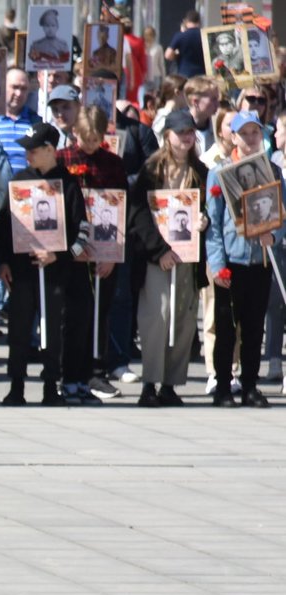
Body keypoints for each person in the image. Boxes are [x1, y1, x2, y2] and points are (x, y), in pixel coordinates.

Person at [2, 122, 92, 405]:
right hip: (22, 271)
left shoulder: (68, 184)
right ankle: (16, 385)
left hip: (55, 274)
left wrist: (59, 254)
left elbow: (83, 230)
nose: (27, 155)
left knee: (52, 329)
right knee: (18, 328)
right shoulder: (19, 181)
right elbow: (4, 225)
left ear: (50, 150)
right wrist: (4, 260)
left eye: (33, 150)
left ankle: (51, 385)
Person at [129, 110, 205, 404]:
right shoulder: (151, 170)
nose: (186, 137)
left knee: (183, 320)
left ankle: (170, 384)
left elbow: (207, 207)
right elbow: (138, 214)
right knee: (156, 317)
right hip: (157, 257)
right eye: (180, 132)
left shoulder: (200, 170)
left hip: (187, 256)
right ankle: (150, 382)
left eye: (190, 132)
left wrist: (204, 222)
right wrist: (159, 251)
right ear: (167, 135)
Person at [206, 108, 276, 406]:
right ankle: (223, 384)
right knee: (225, 327)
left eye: (254, 132)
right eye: (243, 133)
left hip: (259, 259)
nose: (249, 138)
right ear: (232, 136)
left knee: (253, 325)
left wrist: (274, 236)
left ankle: (250, 384)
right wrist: (217, 264)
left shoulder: (273, 171)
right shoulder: (220, 172)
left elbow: (281, 214)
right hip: (232, 261)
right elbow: (213, 221)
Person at [59, 107, 127, 394]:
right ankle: (69, 371)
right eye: (85, 138)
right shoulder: (64, 160)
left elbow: (122, 207)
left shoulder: (112, 163)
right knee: (73, 312)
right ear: (74, 132)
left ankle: (96, 370)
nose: (90, 144)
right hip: (73, 247)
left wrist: (112, 254)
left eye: (95, 138)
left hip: (105, 244)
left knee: (101, 309)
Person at [165, 10, 205, 78]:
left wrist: (177, 56)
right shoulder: (204, 36)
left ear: (187, 21)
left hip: (184, 73)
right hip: (201, 74)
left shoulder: (180, 36)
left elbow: (168, 55)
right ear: (199, 21)